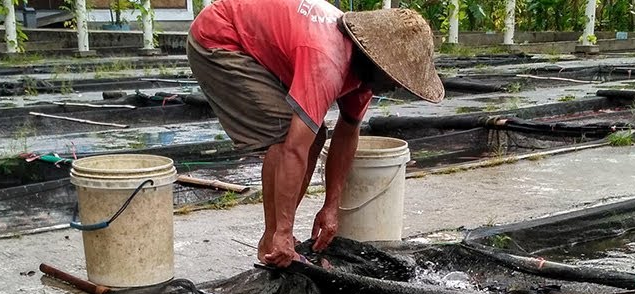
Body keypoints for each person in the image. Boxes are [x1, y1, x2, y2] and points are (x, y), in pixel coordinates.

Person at [187, 0, 444, 267]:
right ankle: (273, 241)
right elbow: (294, 149)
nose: (394, 88)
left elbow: (347, 134)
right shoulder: (328, 59)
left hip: (264, 40)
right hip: (220, 37)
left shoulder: (365, 73)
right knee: (286, 132)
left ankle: (278, 237)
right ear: (378, 63)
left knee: (314, 134)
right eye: (395, 79)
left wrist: (331, 205)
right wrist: (284, 231)